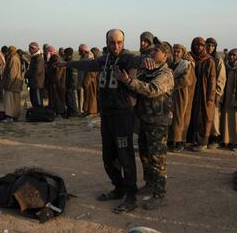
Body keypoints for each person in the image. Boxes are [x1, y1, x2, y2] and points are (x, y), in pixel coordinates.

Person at [55, 29, 151, 214]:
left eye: (120, 42)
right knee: (108, 156)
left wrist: (145, 60)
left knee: (125, 155)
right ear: (107, 42)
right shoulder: (104, 59)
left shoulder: (127, 58)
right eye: (113, 42)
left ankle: (130, 196)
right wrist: (67, 63)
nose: (116, 46)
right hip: (107, 115)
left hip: (123, 114)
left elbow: (137, 60)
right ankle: (119, 187)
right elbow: (87, 64)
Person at [116, 42, 174, 210]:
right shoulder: (147, 71)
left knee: (157, 159)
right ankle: (149, 184)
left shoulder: (166, 74)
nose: (152, 52)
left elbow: (151, 90)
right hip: (144, 119)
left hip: (158, 122)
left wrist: (128, 81)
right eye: (152, 50)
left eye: (156, 51)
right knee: (145, 155)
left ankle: (159, 194)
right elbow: (135, 88)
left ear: (165, 56)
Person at [187, 37, 216, 152]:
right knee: (192, 117)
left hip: (204, 94)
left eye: (201, 45)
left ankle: (202, 142)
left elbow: (212, 80)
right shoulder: (190, 59)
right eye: (196, 45)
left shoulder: (209, 61)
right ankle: (193, 141)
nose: (198, 48)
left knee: (203, 118)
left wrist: (210, 97)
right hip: (192, 93)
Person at [168, 44, 196, 152]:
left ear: (182, 53)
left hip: (182, 94)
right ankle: (171, 140)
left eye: (177, 52)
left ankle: (180, 141)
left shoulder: (186, 64)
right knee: (171, 117)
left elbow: (186, 80)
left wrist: (170, 84)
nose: (175, 54)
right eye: (174, 51)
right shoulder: (172, 64)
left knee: (180, 118)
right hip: (172, 95)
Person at [205, 38, 226, 148]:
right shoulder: (204, 58)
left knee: (215, 117)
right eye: (208, 45)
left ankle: (215, 139)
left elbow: (221, 79)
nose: (209, 48)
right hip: (204, 92)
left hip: (215, 93)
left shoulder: (217, 59)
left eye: (212, 46)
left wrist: (217, 93)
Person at [2, 46, 23, 123]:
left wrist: (8, 84)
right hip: (15, 84)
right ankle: (14, 116)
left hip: (12, 85)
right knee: (14, 101)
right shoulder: (15, 58)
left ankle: (10, 117)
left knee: (10, 102)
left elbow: (12, 74)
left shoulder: (13, 59)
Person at [45, 45, 66, 116]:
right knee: (56, 98)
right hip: (56, 82)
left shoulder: (56, 59)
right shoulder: (55, 58)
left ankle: (59, 112)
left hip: (57, 83)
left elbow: (57, 73)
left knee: (58, 98)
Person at [25, 42, 45, 108]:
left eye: (31, 48)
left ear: (35, 49)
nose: (30, 49)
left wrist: (27, 74)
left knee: (38, 102)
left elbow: (37, 71)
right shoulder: (34, 58)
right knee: (33, 100)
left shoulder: (39, 58)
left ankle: (40, 114)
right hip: (33, 84)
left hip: (37, 84)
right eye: (29, 48)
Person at [63, 47, 80, 118]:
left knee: (71, 99)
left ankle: (74, 113)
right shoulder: (68, 62)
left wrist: (72, 84)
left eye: (65, 54)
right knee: (68, 99)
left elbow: (74, 75)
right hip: (68, 83)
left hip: (71, 84)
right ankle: (70, 112)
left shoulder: (72, 63)